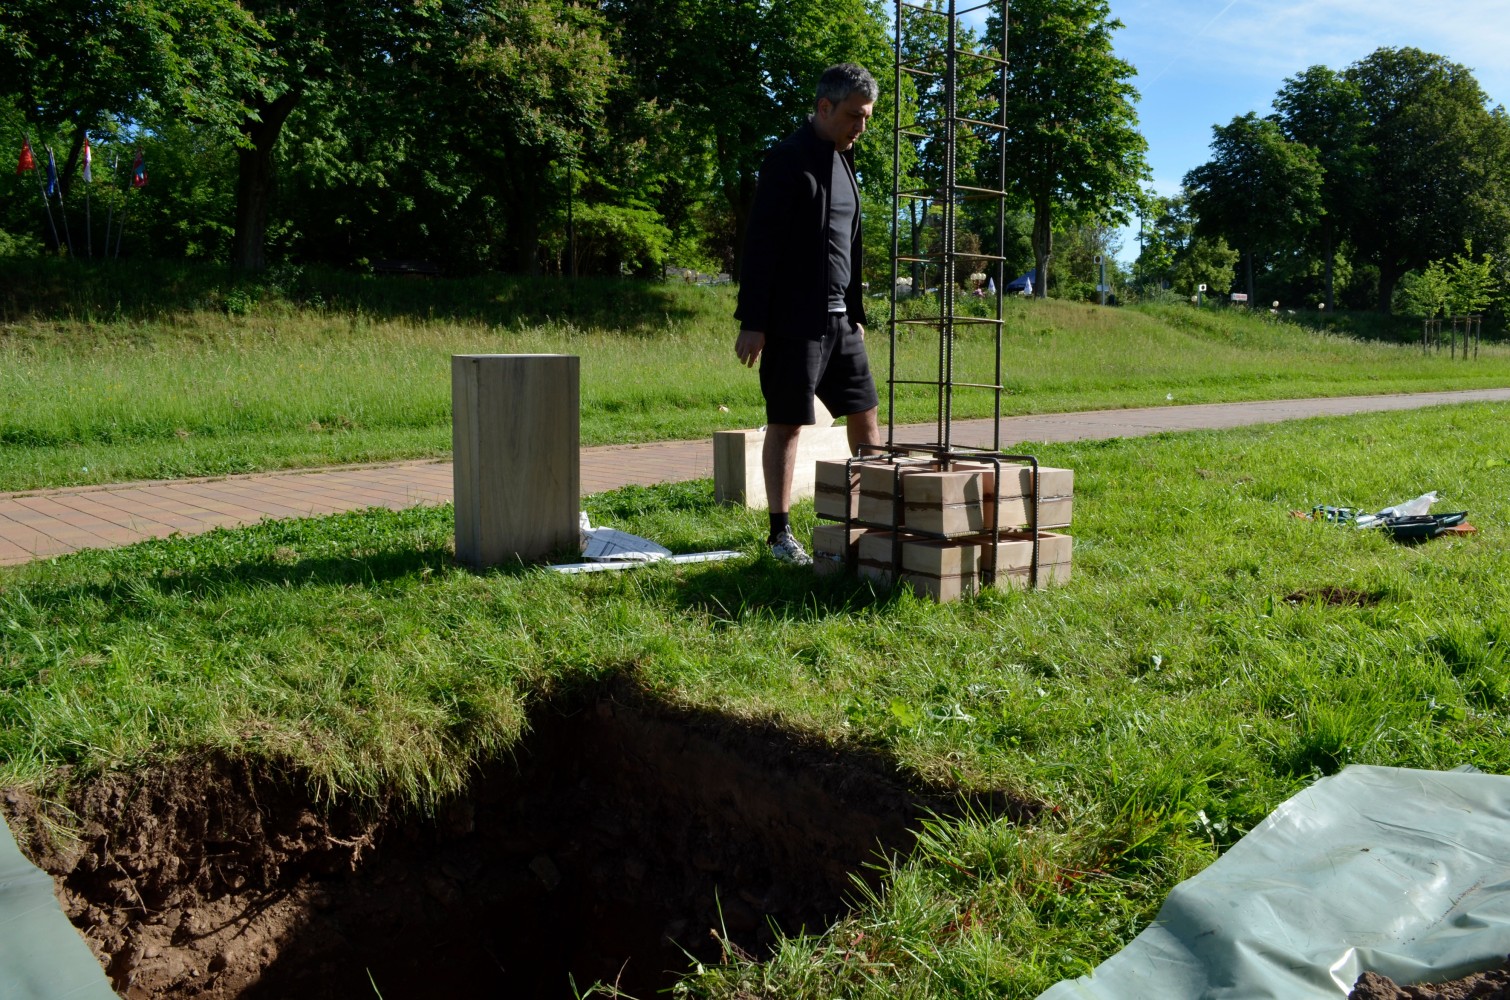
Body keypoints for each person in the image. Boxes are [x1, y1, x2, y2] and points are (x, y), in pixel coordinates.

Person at [734, 62, 882, 565]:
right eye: (853, 116)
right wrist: (754, 321)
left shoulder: (846, 164)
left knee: (865, 416)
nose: (860, 127)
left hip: (842, 322)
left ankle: (870, 520)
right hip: (793, 322)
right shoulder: (786, 160)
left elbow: (851, 245)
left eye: (866, 118)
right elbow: (760, 247)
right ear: (824, 107)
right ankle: (780, 535)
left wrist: (856, 311)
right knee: (788, 422)